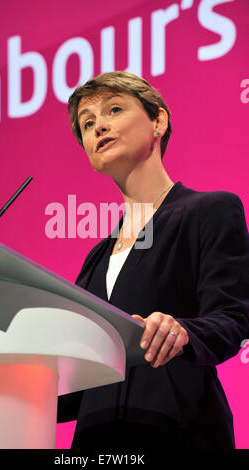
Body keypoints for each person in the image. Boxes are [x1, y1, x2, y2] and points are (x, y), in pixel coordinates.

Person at [57, 71, 249, 449]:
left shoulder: (209, 210)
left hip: (178, 431)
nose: (99, 127)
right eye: (88, 123)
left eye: (113, 109)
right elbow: (74, 394)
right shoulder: (96, 257)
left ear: (158, 121)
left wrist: (182, 331)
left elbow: (234, 317)